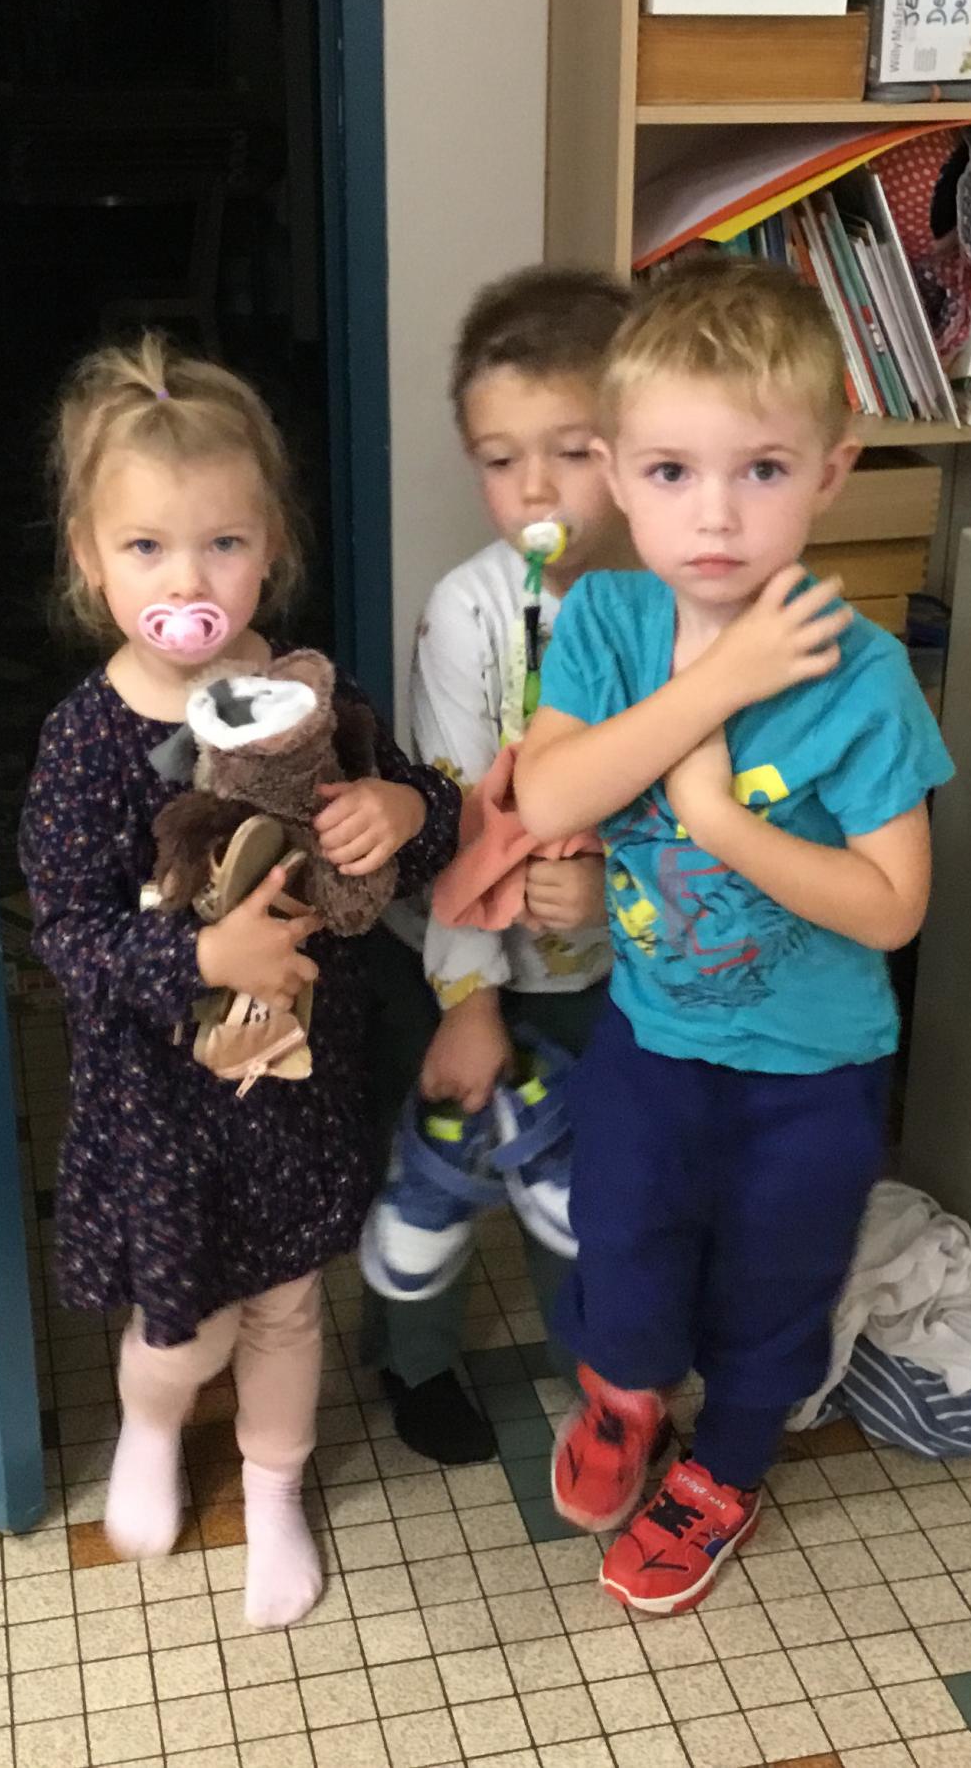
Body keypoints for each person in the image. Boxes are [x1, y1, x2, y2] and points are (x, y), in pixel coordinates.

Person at [511, 259, 955, 1615]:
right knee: (623, 1235)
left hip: (810, 1073)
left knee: (773, 1287)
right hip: (653, 1036)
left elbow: (893, 904)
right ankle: (626, 1396)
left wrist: (712, 815)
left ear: (831, 471)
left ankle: (727, 1467)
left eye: (760, 469)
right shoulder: (607, 618)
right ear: (615, 474)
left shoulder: (861, 673)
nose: (714, 515)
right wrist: (720, 684)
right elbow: (548, 797)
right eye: (670, 472)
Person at [19, 335, 458, 1627]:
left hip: (296, 1092)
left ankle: (275, 1490)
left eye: (222, 543)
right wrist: (199, 957)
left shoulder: (306, 691)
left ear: (270, 548)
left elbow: (413, 807)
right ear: (91, 560)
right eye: (147, 546)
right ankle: (151, 1429)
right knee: (184, 1322)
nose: (187, 579)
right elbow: (67, 936)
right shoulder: (87, 739)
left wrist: (400, 807)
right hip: (162, 1105)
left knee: (285, 1309)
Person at [358, 265, 633, 1465]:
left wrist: (616, 890)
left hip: (614, 967)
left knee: (589, 1178)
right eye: (499, 457)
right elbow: (455, 825)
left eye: (572, 451)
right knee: (443, 1163)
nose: (533, 488)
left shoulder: (678, 604)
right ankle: (412, 1357)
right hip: (465, 961)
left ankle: (602, 1372)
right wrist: (467, 1002)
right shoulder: (468, 615)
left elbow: (701, 803)